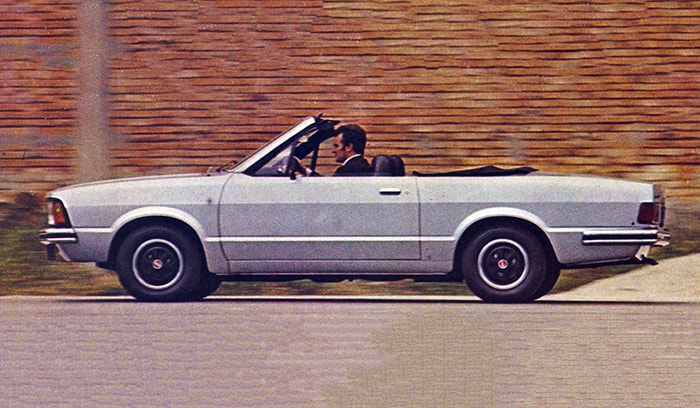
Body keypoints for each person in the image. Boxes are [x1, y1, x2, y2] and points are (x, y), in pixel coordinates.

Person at [294, 123, 372, 177]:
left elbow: (328, 190)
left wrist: (304, 170)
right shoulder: (360, 166)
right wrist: (305, 170)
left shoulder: (348, 170)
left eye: (336, 146)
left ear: (348, 147)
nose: (333, 151)